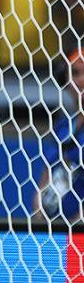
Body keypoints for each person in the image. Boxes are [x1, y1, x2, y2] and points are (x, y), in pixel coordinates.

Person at [34, 49, 84, 221]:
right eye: (75, 73)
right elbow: (45, 177)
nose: (81, 80)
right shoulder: (63, 126)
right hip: (51, 231)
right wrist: (39, 216)